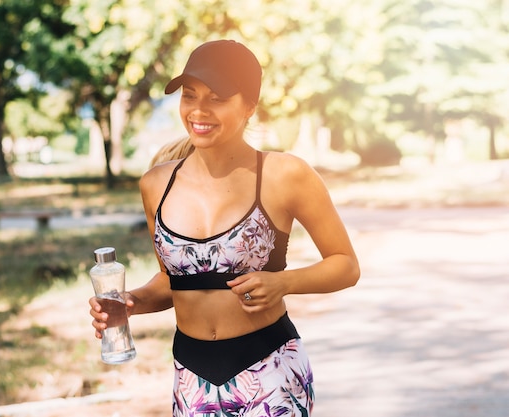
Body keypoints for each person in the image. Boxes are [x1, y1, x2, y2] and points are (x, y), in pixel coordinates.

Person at [89, 39, 360, 416]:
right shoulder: (156, 185)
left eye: (216, 98)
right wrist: (130, 303)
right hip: (191, 377)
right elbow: (174, 281)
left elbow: (345, 264)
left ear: (249, 106)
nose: (199, 110)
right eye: (189, 95)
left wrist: (284, 282)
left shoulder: (285, 175)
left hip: (270, 371)